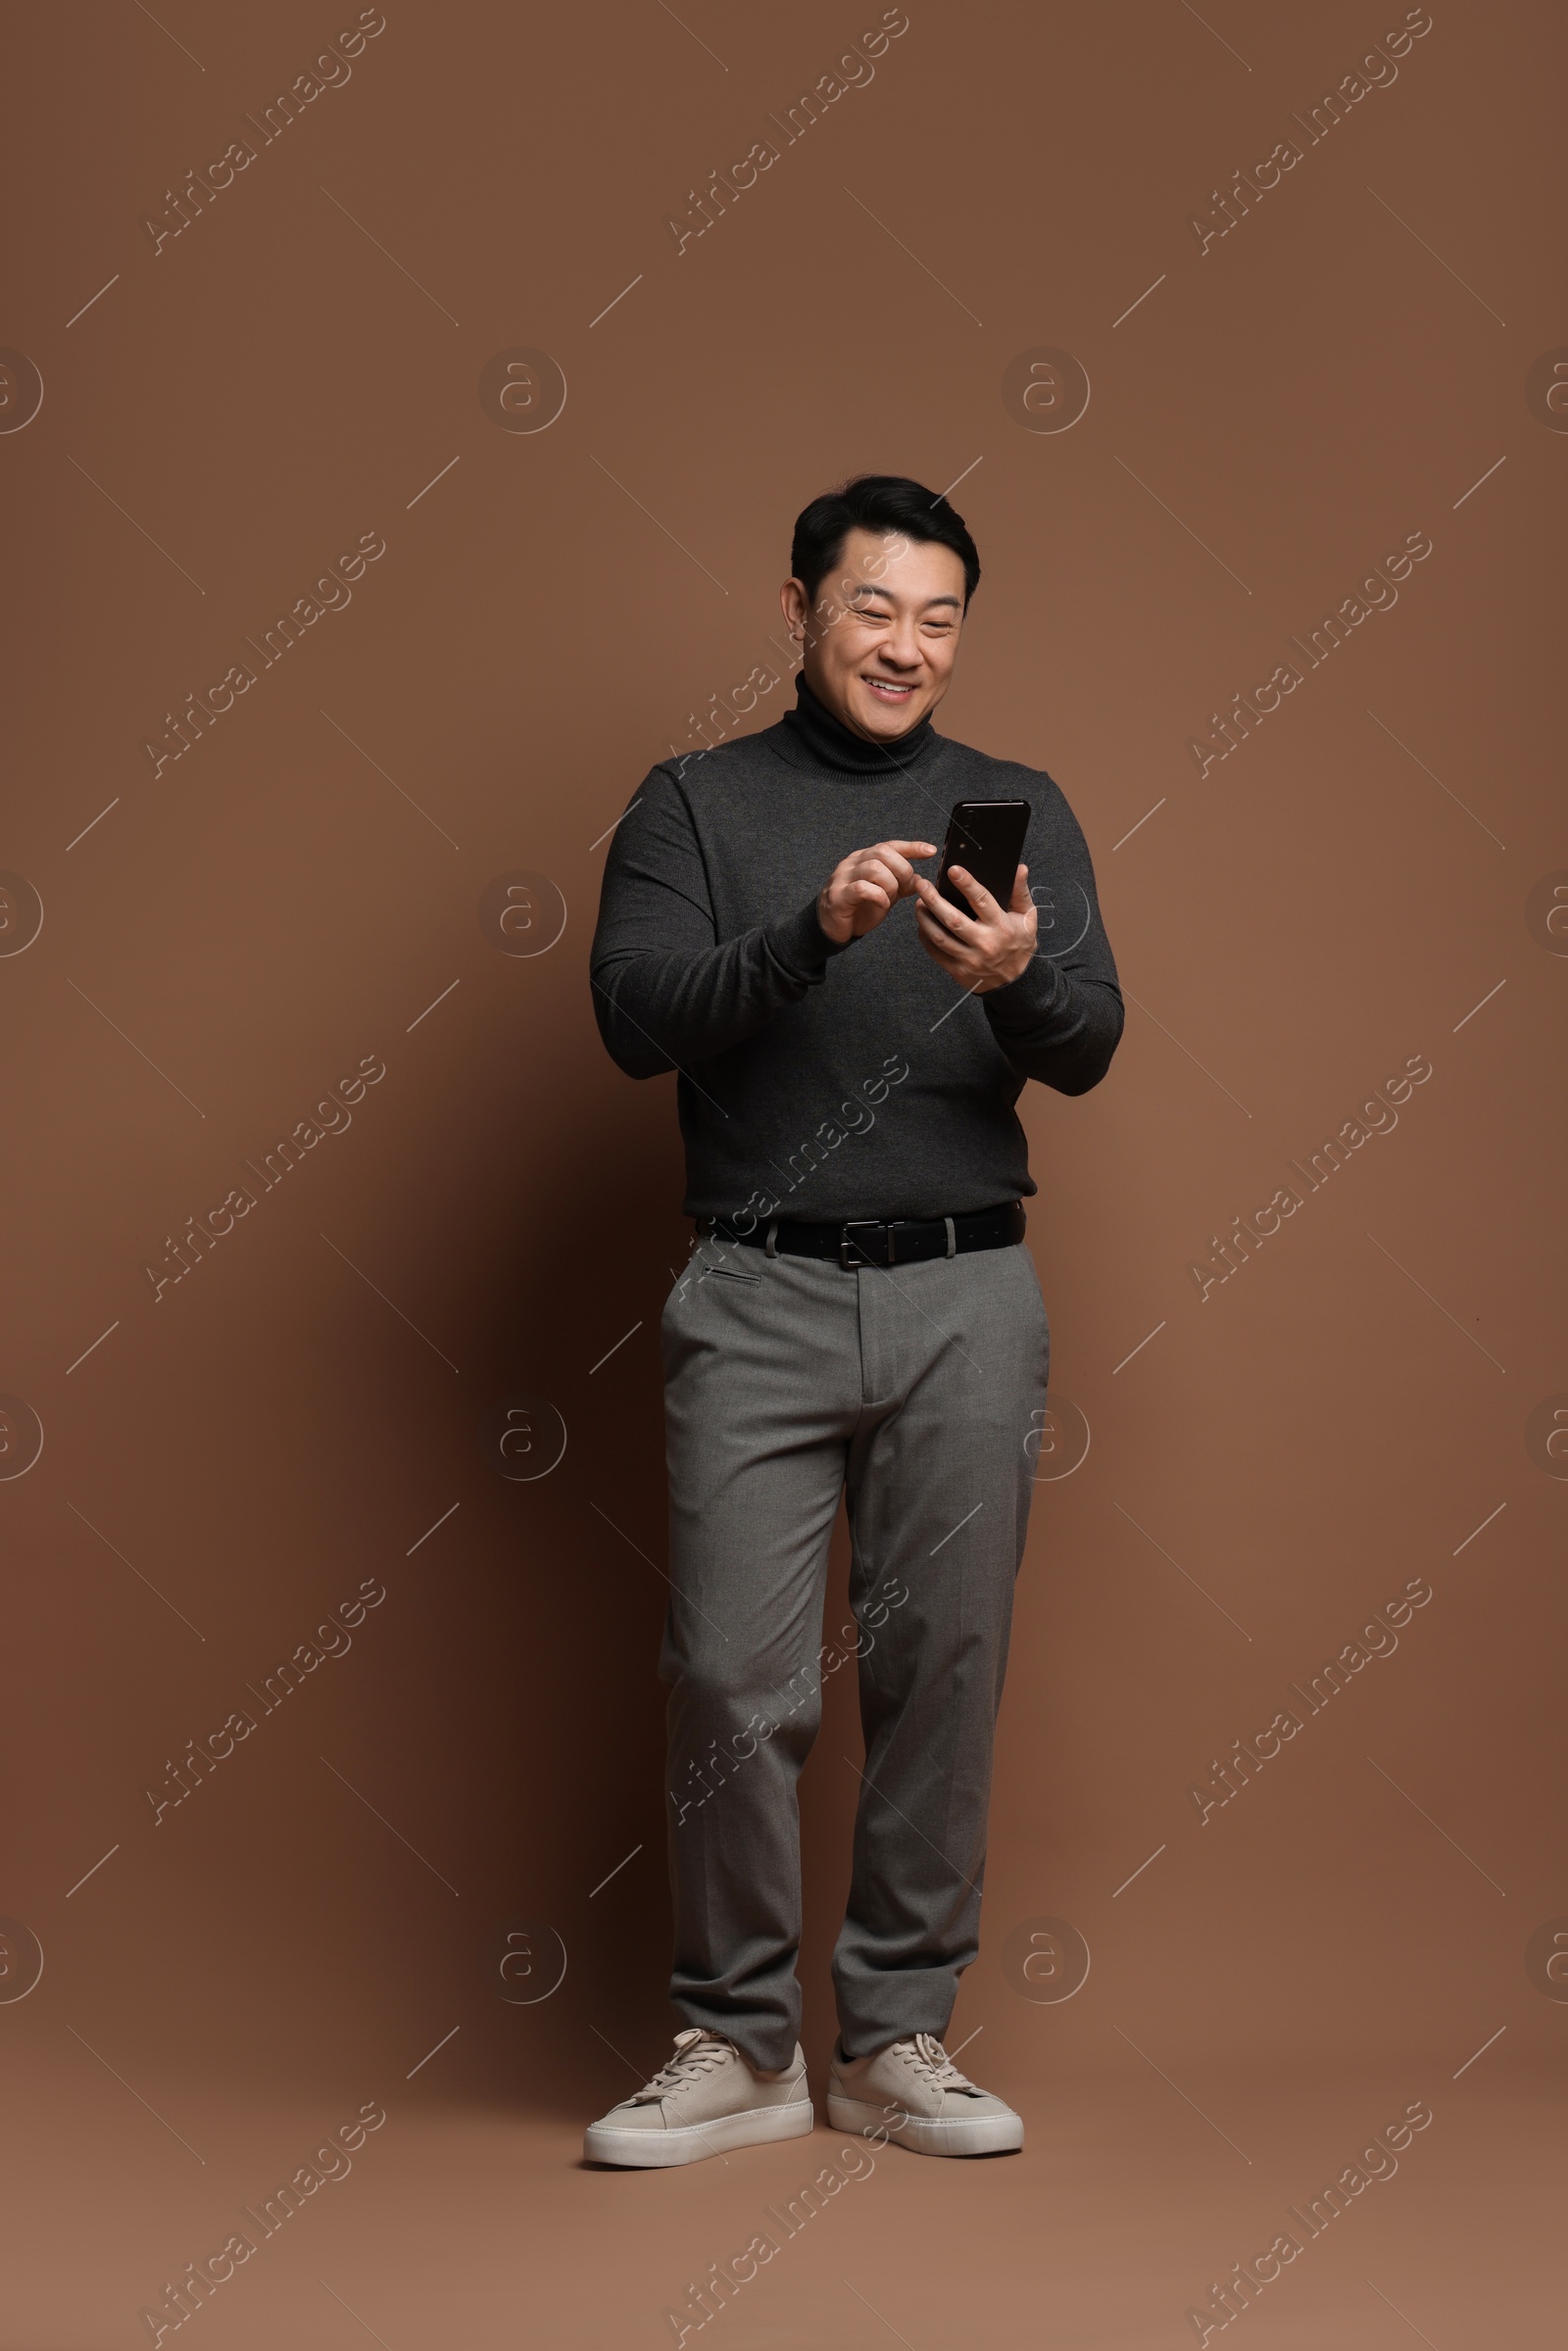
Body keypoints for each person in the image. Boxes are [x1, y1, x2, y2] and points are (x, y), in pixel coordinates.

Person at [584, 474, 1122, 2167]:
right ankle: (738, 2044)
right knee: (733, 1677)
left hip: (970, 1286)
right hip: (756, 1288)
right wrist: (809, 935)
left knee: (941, 1670)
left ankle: (895, 2038)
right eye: (875, 607)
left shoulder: (1016, 800)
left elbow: (1091, 1040)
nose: (906, 644)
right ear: (806, 609)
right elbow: (633, 1015)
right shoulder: (693, 802)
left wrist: (1016, 973)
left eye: (940, 616)